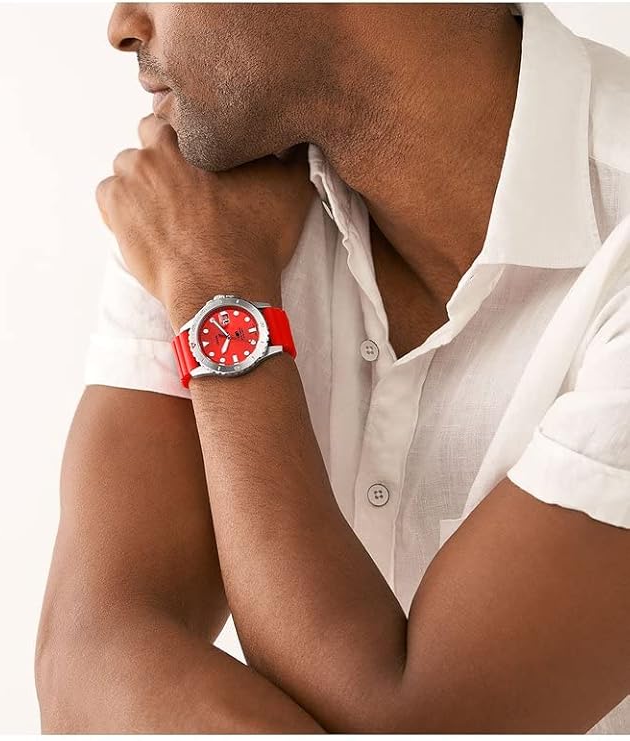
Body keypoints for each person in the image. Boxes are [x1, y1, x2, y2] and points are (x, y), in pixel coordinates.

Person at [35, 2, 630, 732]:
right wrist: (212, 275)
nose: (122, 24)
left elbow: (417, 724)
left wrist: (221, 298)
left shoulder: (204, 248)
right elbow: (88, 664)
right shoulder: (196, 206)